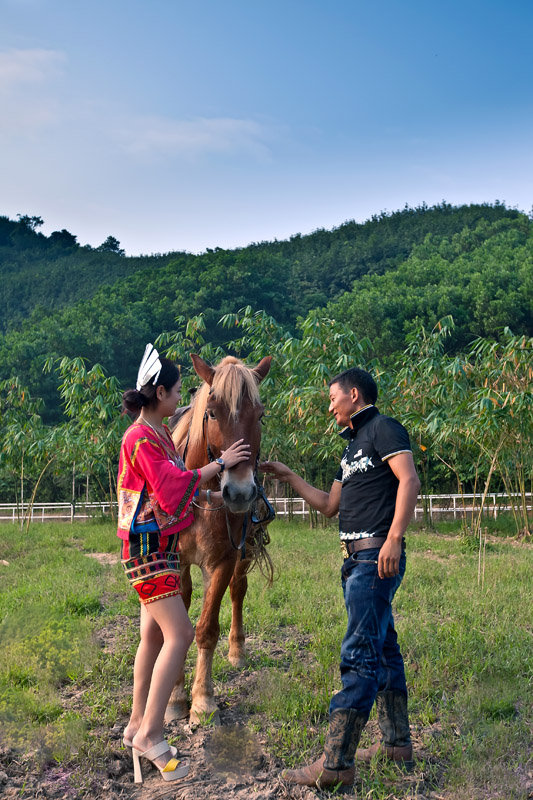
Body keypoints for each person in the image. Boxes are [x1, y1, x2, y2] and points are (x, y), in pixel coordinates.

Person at [260, 366, 420, 788]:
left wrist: (394, 539)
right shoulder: (350, 449)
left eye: (333, 398)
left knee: (359, 655)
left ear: (353, 394)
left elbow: (409, 480)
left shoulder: (384, 429)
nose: (329, 405)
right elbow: (330, 505)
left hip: (375, 558)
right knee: (383, 649)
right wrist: (290, 476)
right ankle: (396, 744)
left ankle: (336, 764)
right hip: (356, 562)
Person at [118, 344, 251, 784]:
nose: (184, 399)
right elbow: (172, 488)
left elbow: (183, 493)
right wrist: (220, 464)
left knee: (152, 638)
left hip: (154, 547)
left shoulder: (155, 436)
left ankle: (136, 724)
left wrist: (217, 494)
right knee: (178, 636)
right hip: (150, 551)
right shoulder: (139, 438)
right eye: (178, 393)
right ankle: (152, 736)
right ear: (159, 394)